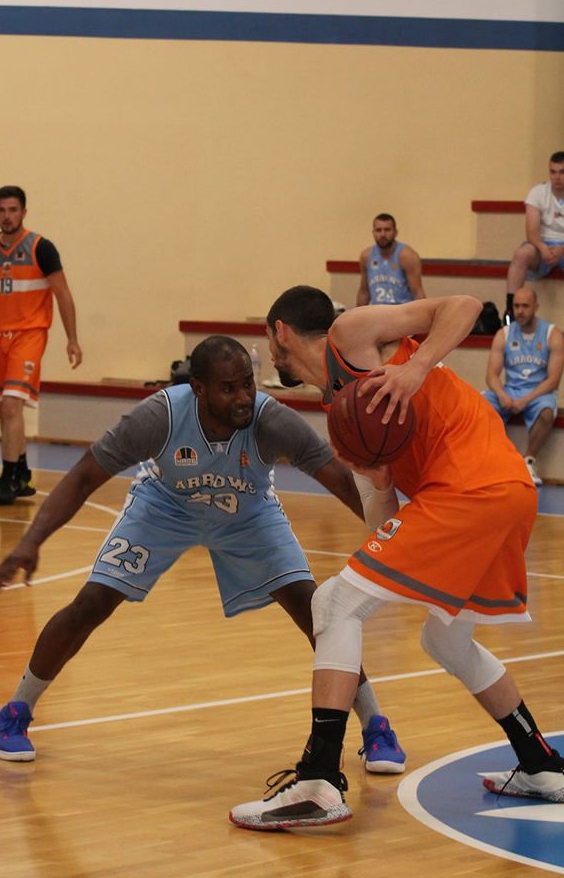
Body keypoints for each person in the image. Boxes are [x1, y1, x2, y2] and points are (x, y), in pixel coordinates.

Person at [0, 335, 406, 773]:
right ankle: (15, 712)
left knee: (313, 607)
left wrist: (396, 541)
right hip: (166, 506)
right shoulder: (159, 417)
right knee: (92, 602)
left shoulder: (272, 420)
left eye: (248, 384)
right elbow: (83, 476)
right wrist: (30, 542)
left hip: (248, 511)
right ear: (199, 390)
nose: (243, 397)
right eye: (229, 388)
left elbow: (340, 481)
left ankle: (376, 726)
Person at [229, 287, 564, 831]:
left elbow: (465, 305)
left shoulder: (351, 336)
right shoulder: (342, 413)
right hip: (503, 493)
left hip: (473, 487)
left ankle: (318, 781)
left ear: (280, 332)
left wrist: (417, 367)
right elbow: (381, 525)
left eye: (269, 342)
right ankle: (540, 764)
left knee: (333, 604)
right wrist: (382, 480)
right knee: (446, 640)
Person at [0, 186, 82, 505]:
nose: (6, 216)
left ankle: (7, 478)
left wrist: (72, 339)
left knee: (11, 404)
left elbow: (63, 294)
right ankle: (22, 473)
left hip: (29, 334)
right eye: (1, 210)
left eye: (12, 210)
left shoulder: (41, 248)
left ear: (24, 212)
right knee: (3, 406)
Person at [483, 286, 564, 486]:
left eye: (525, 306)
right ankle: (494, 460)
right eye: (516, 306)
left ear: (536, 307)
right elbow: (491, 375)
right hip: (510, 390)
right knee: (481, 404)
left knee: (546, 411)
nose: (520, 311)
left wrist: (525, 400)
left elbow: (553, 380)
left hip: (539, 392)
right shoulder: (503, 334)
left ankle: (528, 460)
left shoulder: (552, 334)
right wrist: (501, 394)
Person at [505, 151, 564, 323]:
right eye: (553, 172)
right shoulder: (537, 192)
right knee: (521, 254)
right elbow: (531, 231)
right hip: (542, 245)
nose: (557, 177)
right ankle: (510, 312)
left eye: (562, 172)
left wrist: (561, 249)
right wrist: (543, 248)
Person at [356, 213, 425, 306]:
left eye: (387, 230)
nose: (383, 234)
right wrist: (356, 313)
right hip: (377, 312)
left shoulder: (407, 256)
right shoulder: (366, 256)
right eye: (378, 230)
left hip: (402, 312)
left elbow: (417, 292)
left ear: (395, 232)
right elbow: (364, 292)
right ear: (373, 233)